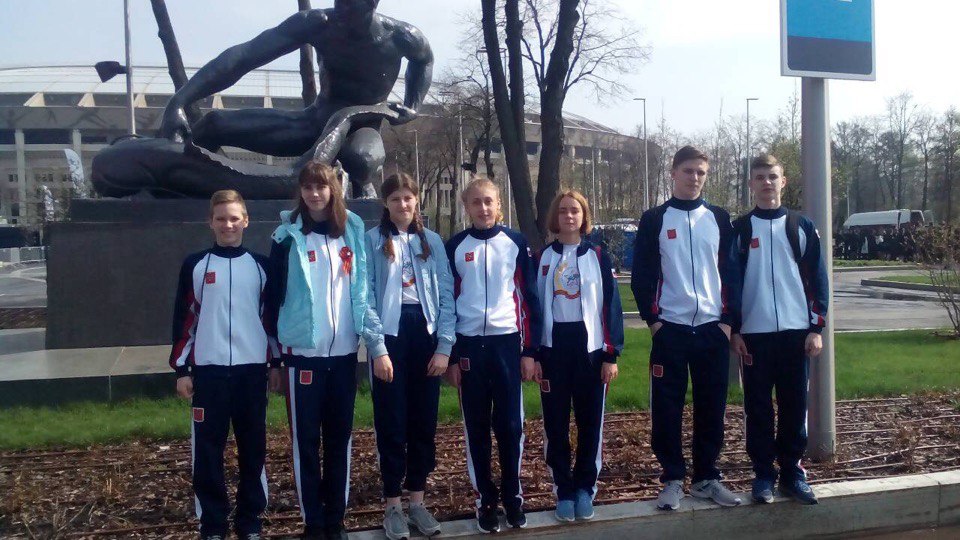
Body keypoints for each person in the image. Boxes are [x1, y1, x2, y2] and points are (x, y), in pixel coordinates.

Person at [157, 0, 432, 198]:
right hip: (314, 123)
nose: (341, 10)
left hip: (360, 128)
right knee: (212, 125)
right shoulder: (319, 24)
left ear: (372, 3)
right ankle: (166, 191)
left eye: (350, 4)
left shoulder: (402, 36)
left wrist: (413, 104)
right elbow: (244, 56)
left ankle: (362, 194)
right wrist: (180, 100)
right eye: (338, 1)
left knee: (360, 160)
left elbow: (424, 61)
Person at [267, 160, 377, 540]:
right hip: (303, 357)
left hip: (344, 355)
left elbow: (361, 288)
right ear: (300, 192)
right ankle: (313, 522)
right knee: (306, 443)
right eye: (308, 187)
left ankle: (336, 520)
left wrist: (370, 339)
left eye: (321, 186)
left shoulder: (351, 231)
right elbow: (273, 298)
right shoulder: (286, 238)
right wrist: (277, 357)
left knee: (339, 440)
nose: (315, 194)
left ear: (334, 190)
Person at [630, 145, 741, 511]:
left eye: (701, 172)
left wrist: (727, 322)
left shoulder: (719, 218)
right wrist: (654, 322)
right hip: (671, 331)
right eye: (688, 171)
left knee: (712, 407)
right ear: (673, 173)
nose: (695, 178)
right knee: (667, 409)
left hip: (711, 329)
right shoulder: (655, 219)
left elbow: (731, 273)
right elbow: (642, 275)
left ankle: (706, 477)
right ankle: (673, 478)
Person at [169, 189, 275, 540]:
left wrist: (275, 363)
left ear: (246, 221)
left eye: (234, 218)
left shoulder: (261, 266)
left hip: (251, 372)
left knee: (253, 450)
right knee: (207, 451)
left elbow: (269, 319)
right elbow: (185, 319)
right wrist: (182, 369)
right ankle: (212, 524)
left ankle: (250, 521)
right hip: (209, 373)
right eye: (221, 219)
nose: (228, 225)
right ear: (210, 222)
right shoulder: (196, 265)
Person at [444, 177, 542, 533]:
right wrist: (452, 357)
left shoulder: (515, 243)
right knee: (476, 428)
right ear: (466, 207)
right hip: (470, 346)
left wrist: (529, 351)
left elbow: (530, 299)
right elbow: (447, 303)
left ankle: (513, 495)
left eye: (489, 201)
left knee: (511, 427)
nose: (483, 208)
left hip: (506, 344)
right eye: (476, 202)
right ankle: (485, 499)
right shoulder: (455, 246)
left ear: (499, 204)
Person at [730, 155, 828, 505]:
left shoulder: (801, 226)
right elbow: (731, 283)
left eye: (772, 176)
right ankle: (762, 475)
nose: (766, 183)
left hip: (795, 333)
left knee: (794, 405)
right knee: (757, 407)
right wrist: (735, 330)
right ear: (751, 184)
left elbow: (818, 279)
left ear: (783, 182)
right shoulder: (740, 230)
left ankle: (791, 473)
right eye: (759, 177)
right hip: (754, 336)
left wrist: (816, 327)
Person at [364, 173, 456, 539]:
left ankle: (417, 501)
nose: (403, 204)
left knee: (423, 423)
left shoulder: (431, 241)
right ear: (385, 203)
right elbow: (365, 296)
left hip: (425, 335)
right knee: (392, 423)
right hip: (391, 336)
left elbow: (446, 295)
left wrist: (444, 347)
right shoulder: (372, 240)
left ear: (416, 200)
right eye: (395, 199)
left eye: (408, 198)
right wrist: (377, 348)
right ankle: (392, 506)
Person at [535, 190, 624, 522]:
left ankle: (586, 486)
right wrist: (534, 353)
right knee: (555, 424)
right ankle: (564, 489)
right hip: (554, 348)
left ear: (584, 216)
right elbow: (533, 306)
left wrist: (611, 354)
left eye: (575, 210)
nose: (569, 216)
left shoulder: (597, 255)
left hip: (590, 350)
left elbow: (611, 305)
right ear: (555, 217)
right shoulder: (542, 257)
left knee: (590, 423)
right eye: (563, 211)